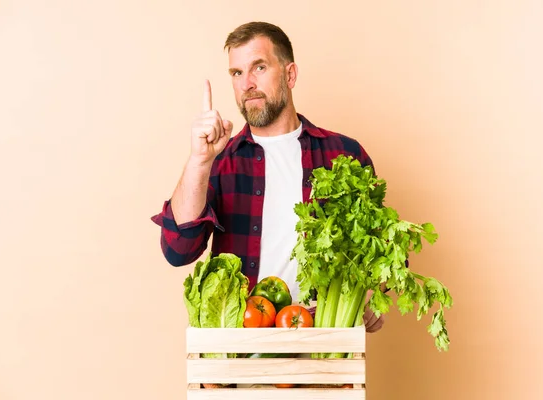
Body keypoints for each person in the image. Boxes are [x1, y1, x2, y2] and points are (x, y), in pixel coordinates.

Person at [151, 21, 384, 333]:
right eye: (236, 73)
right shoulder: (221, 162)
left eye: (258, 67)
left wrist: (373, 295)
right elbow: (178, 250)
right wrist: (199, 160)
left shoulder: (344, 156)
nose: (247, 83)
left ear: (290, 75)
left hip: (324, 351)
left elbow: (381, 252)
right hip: (242, 356)